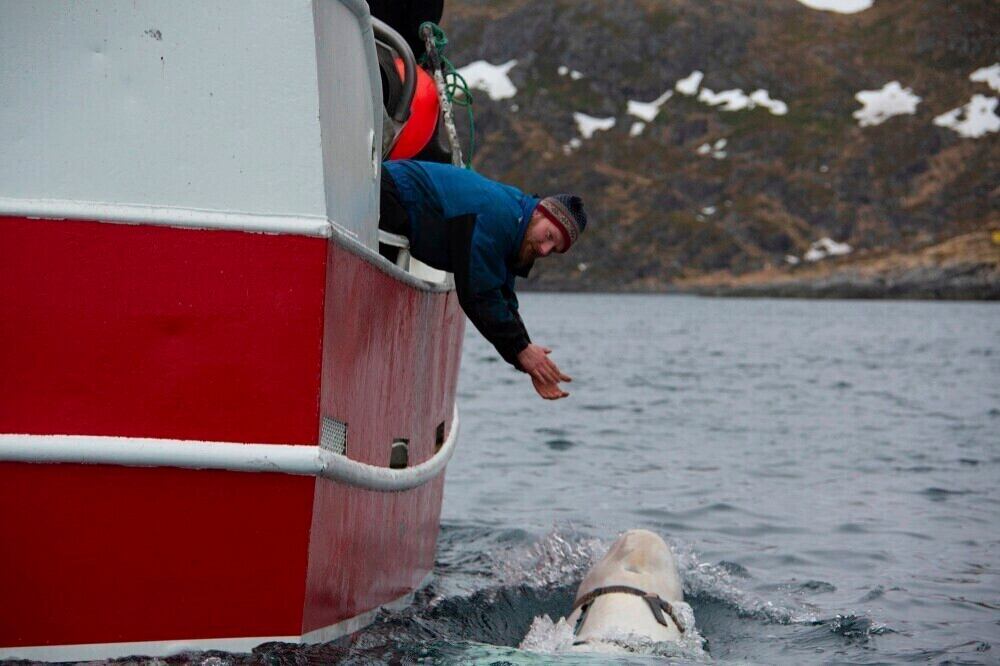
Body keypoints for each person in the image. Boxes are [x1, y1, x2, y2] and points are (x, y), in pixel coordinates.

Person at [380, 160, 588, 400]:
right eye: (549, 236)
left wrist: (528, 357)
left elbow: (502, 298)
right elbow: (478, 293)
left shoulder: (517, 225)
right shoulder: (499, 215)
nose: (544, 249)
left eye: (554, 249)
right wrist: (522, 351)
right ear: (540, 212)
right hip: (391, 191)